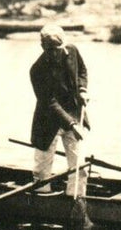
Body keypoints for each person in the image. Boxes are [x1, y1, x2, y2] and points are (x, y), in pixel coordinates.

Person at [29, 23, 89, 197]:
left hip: (74, 117)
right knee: (42, 171)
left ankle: (75, 199)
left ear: (63, 46)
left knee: (79, 167)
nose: (54, 54)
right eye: (49, 50)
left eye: (57, 49)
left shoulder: (72, 51)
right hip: (47, 124)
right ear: (42, 47)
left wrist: (82, 89)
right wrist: (71, 124)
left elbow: (82, 71)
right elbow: (50, 102)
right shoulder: (37, 70)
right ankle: (42, 201)